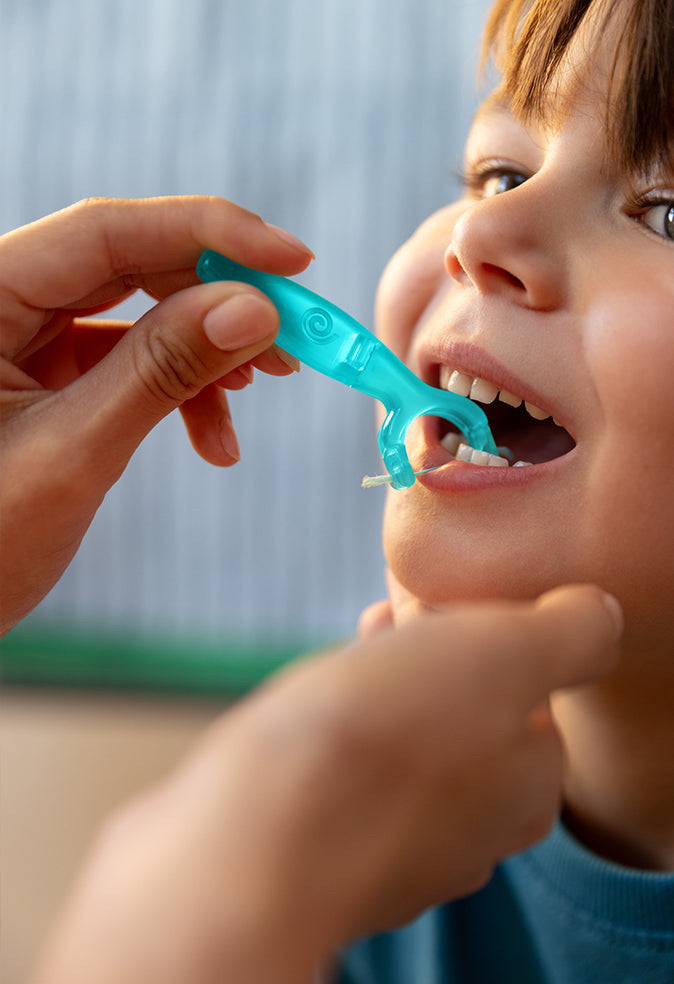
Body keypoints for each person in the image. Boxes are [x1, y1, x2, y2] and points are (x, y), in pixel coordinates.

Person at [2, 2, 672, 984]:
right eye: (498, 170)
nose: (481, 229)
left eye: (664, 213)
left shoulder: (286, 861)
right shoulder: (361, 870)